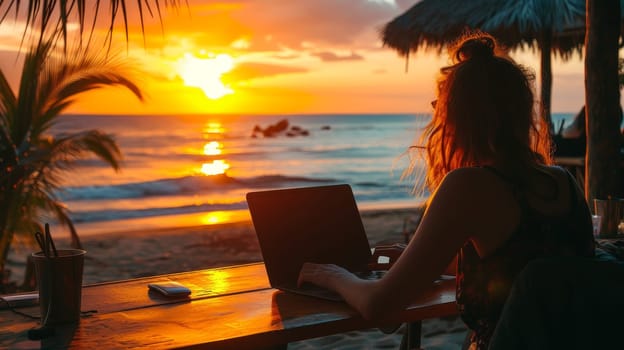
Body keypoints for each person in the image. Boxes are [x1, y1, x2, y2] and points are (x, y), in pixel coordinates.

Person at [298, 32, 595, 349]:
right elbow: (521, 263)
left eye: (439, 106)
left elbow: (378, 306)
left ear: (458, 116)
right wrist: (424, 263)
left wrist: (332, 275)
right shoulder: (565, 181)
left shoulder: (469, 185)